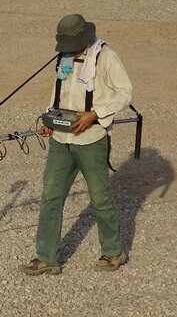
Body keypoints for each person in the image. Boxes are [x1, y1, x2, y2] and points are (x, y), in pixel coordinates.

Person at [20, 14, 133, 275]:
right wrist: (49, 117)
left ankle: (113, 252)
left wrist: (95, 113)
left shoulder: (106, 57)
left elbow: (125, 92)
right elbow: (59, 90)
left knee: (100, 198)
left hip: (91, 140)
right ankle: (46, 257)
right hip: (61, 140)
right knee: (50, 196)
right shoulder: (65, 57)